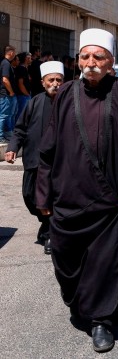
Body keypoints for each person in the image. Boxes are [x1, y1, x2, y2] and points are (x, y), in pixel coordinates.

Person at [35, 28, 118, 353]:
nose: (90, 62)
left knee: (105, 262)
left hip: (109, 199)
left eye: (98, 56)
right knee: (65, 259)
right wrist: (43, 194)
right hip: (68, 197)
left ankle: (103, 320)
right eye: (85, 56)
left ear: (111, 61)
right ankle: (82, 302)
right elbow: (47, 150)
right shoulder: (66, 93)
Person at [5, 61, 64, 254]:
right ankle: (45, 223)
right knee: (30, 196)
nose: (55, 83)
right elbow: (20, 128)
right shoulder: (34, 102)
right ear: (42, 82)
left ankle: (50, 233)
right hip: (34, 160)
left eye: (59, 80)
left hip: (60, 163)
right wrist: (13, 148)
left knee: (53, 199)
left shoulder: (70, 102)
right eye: (51, 80)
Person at [0, 45, 18, 143]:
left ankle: (7, 134)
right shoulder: (6, 64)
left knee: (8, 115)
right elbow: (5, 79)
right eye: (14, 52)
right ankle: (1, 136)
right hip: (6, 95)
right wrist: (11, 92)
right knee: (3, 115)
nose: (15, 55)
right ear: (10, 53)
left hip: (8, 95)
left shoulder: (6, 63)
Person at [14, 52, 32, 120]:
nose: (31, 59)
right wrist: (27, 94)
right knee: (21, 113)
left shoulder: (25, 68)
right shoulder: (21, 68)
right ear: (26, 59)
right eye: (29, 58)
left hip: (25, 95)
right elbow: (20, 84)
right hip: (22, 96)